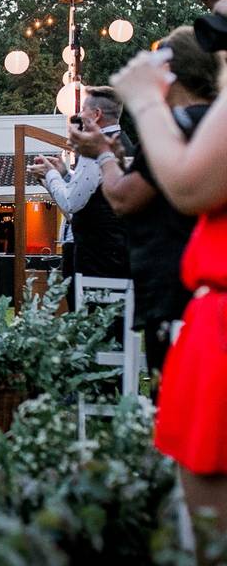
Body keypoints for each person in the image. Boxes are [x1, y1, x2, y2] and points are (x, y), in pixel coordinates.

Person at [109, 7, 227, 534]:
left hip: (210, 312)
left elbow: (184, 185)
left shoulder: (191, 118)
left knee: (210, 532)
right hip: (198, 305)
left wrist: (142, 99)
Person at [70, 26, 220, 388]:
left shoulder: (176, 129)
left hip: (177, 280)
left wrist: (103, 155)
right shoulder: (214, 125)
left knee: (174, 396)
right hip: (200, 280)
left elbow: (124, 198)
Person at [29, 87, 130, 281]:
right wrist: (66, 174)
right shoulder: (124, 144)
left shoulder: (95, 148)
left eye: (83, 110)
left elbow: (71, 203)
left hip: (96, 259)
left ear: (96, 115)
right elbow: (94, 189)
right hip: (119, 254)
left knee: (87, 310)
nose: (79, 115)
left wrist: (50, 175)